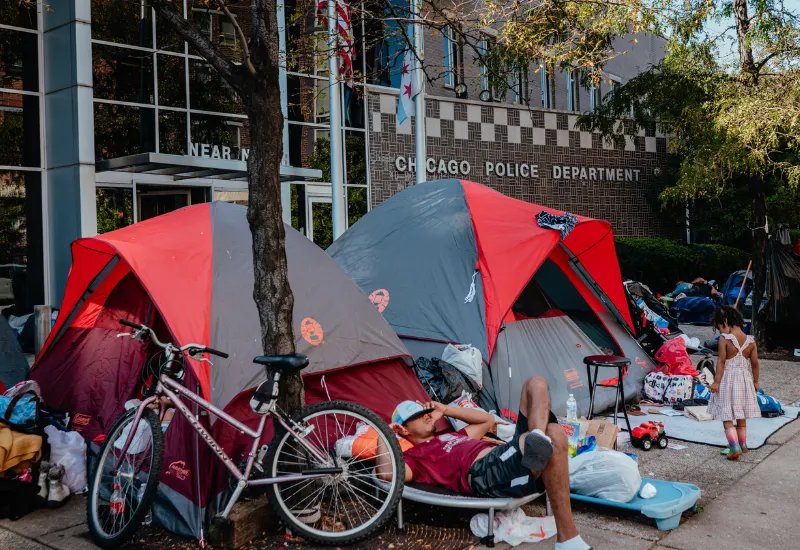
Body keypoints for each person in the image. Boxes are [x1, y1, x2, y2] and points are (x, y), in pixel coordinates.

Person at [376, 377, 591, 550]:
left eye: (425, 411)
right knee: (549, 436)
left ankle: (536, 442)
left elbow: (487, 420)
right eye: (417, 415)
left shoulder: (452, 436)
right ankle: (568, 539)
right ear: (404, 429)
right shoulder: (414, 458)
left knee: (536, 385)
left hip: (504, 456)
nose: (425, 415)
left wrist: (446, 410)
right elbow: (386, 474)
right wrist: (384, 433)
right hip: (485, 473)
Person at [708, 306, 761, 460]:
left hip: (728, 380)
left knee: (727, 415)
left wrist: (716, 382)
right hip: (744, 380)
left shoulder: (725, 339)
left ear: (725, 322)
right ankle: (743, 444)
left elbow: (721, 362)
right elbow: (755, 363)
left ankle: (734, 447)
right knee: (740, 413)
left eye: (719, 327)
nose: (720, 331)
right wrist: (756, 381)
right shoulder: (750, 341)